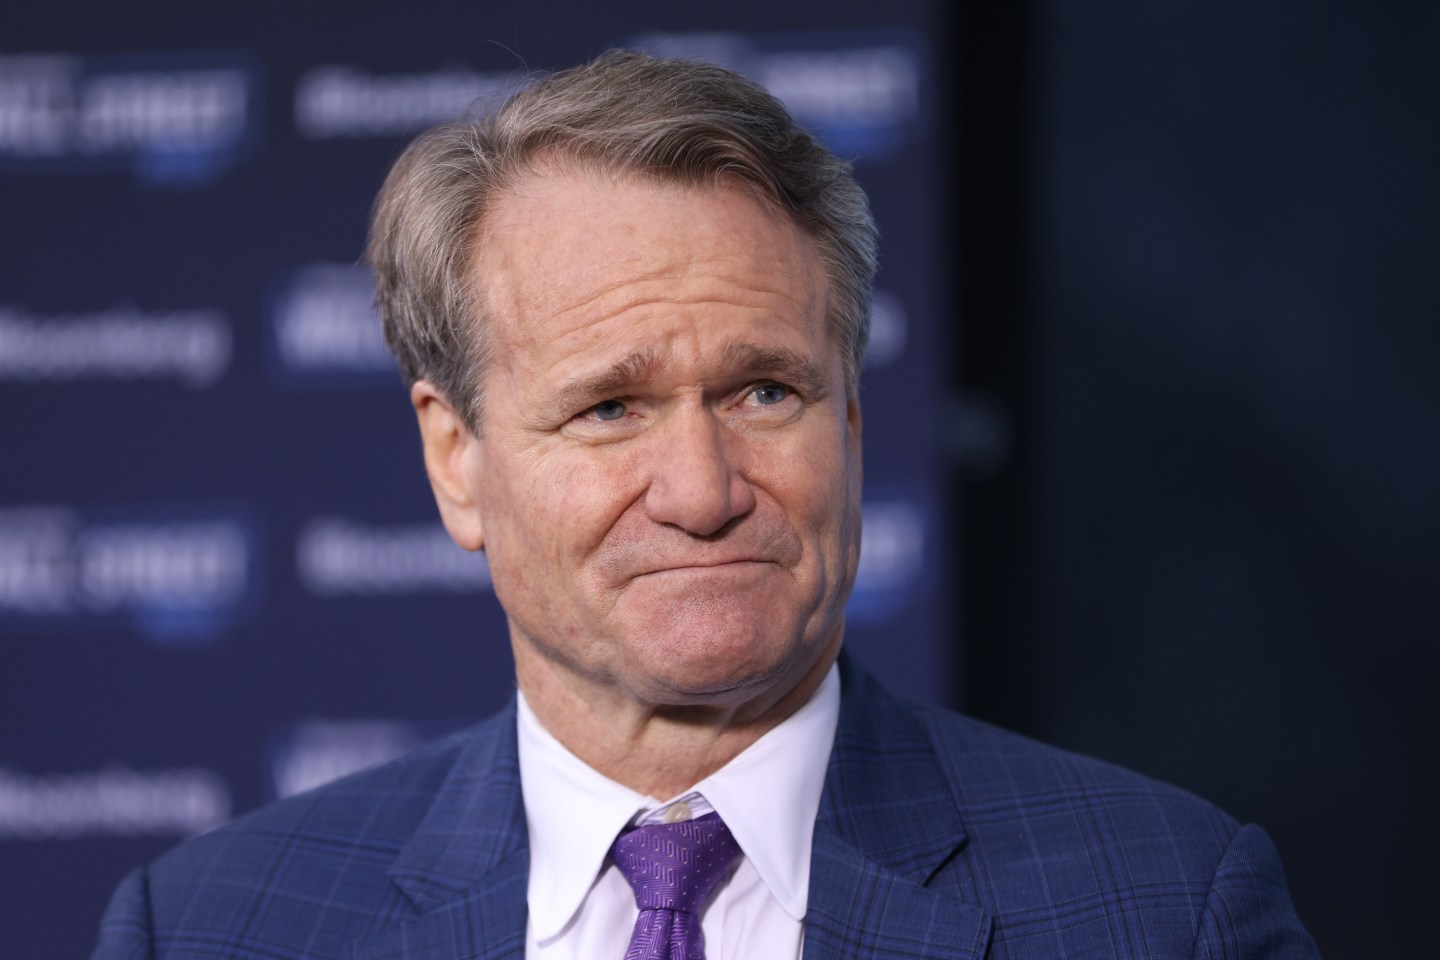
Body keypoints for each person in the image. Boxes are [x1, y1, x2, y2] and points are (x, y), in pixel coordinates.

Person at [92, 50, 1318, 959]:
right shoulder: (206, 930)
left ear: (850, 421)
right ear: (456, 461)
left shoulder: (1168, 910)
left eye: (765, 391)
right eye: (610, 408)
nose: (702, 491)